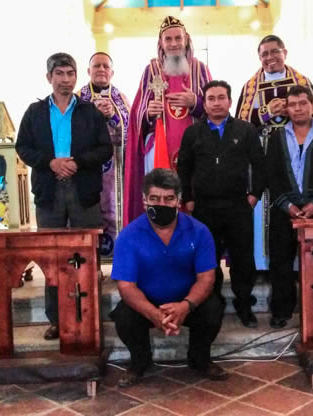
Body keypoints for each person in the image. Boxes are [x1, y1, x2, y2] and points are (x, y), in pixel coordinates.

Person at [16, 52, 113, 340]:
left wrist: (77, 163)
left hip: (83, 190)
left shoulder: (89, 112)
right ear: (49, 77)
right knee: (52, 257)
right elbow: (23, 147)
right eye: (59, 73)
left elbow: (105, 149)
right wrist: (51, 163)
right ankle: (56, 320)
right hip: (49, 190)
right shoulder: (34, 112)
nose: (65, 79)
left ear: (76, 77)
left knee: (87, 255)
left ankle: (89, 316)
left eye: (70, 73)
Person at [110, 168, 227, 387]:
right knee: (124, 316)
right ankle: (140, 363)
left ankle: (200, 360)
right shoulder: (129, 235)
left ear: (179, 201)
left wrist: (185, 306)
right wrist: (153, 313)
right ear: (144, 201)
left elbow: (207, 278)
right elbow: (126, 286)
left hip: (187, 300)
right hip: (147, 301)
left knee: (213, 308)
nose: (161, 204)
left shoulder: (199, 231)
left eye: (168, 199)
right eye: (155, 198)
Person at [176, 80, 266, 328]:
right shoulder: (193, 133)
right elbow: (183, 168)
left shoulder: (246, 130)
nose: (216, 103)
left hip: (238, 206)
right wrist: (188, 199)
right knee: (208, 259)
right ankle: (211, 303)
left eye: (221, 98)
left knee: (243, 259)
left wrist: (254, 195)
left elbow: (260, 165)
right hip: (204, 208)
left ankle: (244, 304)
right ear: (204, 104)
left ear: (229, 101)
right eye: (211, 99)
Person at [235, 34, 313, 274]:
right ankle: (262, 263)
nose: (270, 57)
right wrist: (266, 112)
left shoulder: (301, 82)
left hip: (296, 155)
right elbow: (241, 124)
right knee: (265, 207)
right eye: (264, 54)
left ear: (285, 52)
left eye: (274, 51)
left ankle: (299, 265)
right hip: (263, 154)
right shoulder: (251, 87)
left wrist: (291, 112)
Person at [123, 15, 212, 226]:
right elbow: (137, 112)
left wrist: (195, 102)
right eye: (168, 39)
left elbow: (216, 108)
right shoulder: (152, 70)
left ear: (186, 40)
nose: (173, 44)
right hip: (158, 148)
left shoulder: (199, 68)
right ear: (161, 43)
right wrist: (148, 112)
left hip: (195, 149)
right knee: (160, 196)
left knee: (192, 201)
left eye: (178, 38)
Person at [265, 86, 313, 329]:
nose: (298, 108)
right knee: (281, 262)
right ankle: (281, 311)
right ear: (286, 108)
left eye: (302, 103)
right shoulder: (276, 138)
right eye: (292, 104)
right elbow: (271, 174)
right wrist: (286, 204)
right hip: (285, 211)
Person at [77, 52, 131, 258]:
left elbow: (130, 130)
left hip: (116, 167)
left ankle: (118, 258)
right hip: (88, 167)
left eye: (105, 66)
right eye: (97, 66)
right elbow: (73, 131)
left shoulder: (121, 98)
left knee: (115, 208)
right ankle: (91, 263)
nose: (101, 69)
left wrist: (113, 116)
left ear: (112, 72)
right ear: (88, 71)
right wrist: (95, 115)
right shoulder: (78, 98)